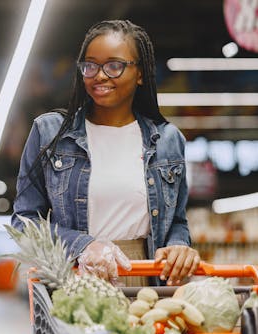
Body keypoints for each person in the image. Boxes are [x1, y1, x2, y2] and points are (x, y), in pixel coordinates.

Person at [11, 19, 200, 286]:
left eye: (114, 66)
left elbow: (176, 222)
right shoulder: (50, 133)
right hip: (74, 280)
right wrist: (83, 245)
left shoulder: (168, 140)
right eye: (90, 66)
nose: (99, 75)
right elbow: (24, 223)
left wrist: (180, 246)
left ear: (140, 73)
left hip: (144, 283)